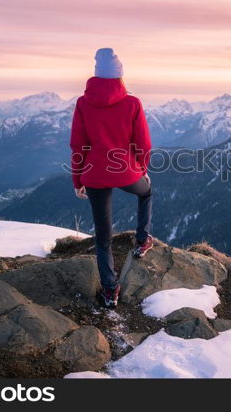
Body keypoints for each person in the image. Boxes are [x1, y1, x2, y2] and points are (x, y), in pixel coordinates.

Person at [70, 48, 153, 308]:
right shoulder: (132, 103)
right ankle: (142, 240)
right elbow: (143, 143)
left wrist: (77, 179)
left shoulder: (83, 103)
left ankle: (109, 291)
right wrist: (142, 167)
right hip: (126, 170)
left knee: (103, 236)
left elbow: (78, 145)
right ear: (120, 76)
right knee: (147, 192)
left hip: (94, 174)